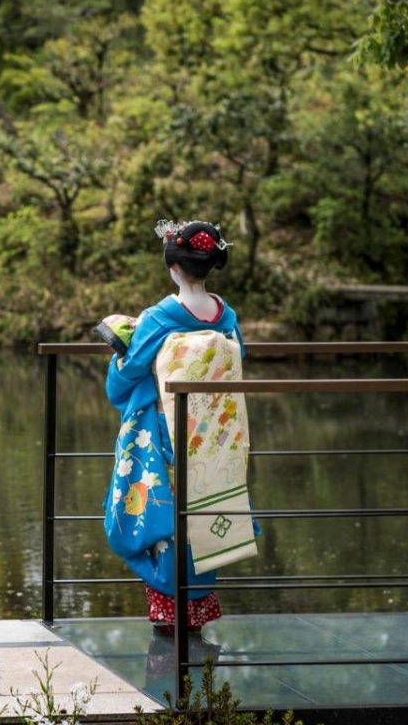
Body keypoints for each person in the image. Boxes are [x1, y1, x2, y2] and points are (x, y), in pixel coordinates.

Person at [101, 219, 249, 632]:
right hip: (213, 437)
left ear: (174, 268)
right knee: (202, 515)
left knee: (166, 523)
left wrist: (119, 352)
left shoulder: (160, 316)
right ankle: (196, 617)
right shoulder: (226, 317)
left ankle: (168, 619)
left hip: (167, 436)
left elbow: (125, 379)